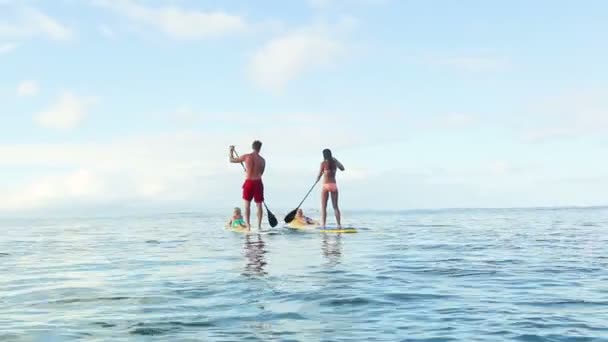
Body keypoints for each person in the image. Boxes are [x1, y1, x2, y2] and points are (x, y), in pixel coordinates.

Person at [229, 140, 266, 230]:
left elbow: (231, 160)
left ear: (252, 147)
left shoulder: (247, 156)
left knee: (247, 205)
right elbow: (261, 173)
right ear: (259, 149)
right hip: (258, 182)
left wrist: (231, 150)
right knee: (259, 205)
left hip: (249, 182)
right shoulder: (262, 160)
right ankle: (259, 226)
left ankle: (248, 226)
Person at [316, 148, 345, 228]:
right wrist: (336, 160)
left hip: (325, 185)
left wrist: (317, 180)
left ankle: (323, 225)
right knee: (335, 206)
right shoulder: (334, 162)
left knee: (323, 207)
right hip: (333, 185)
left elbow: (319, 175)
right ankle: (339, 225)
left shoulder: (323, 163)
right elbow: (342, 168)